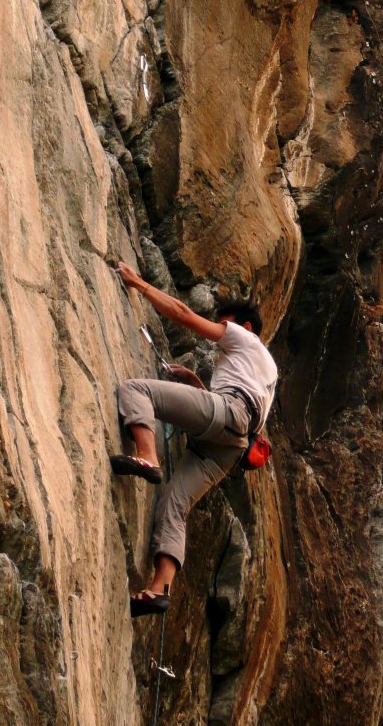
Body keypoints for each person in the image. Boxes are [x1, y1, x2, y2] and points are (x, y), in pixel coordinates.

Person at [112, 261, 278, 617]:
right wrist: (197, 386)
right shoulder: (266, 369)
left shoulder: (244, 337)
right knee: (175, 502)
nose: (220, 329)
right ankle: (159, 590)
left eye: (225, 323)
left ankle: (147, 456)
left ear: (245, 327)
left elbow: (185, 315)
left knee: (137, 390)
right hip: (232, 443)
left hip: (229, 415)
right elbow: (236, 408)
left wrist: (140, 285)